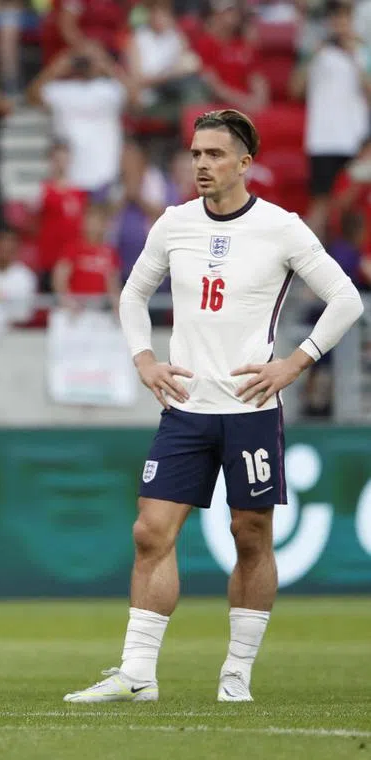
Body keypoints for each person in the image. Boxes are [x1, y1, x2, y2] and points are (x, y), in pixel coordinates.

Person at [63, 109, 364, 704]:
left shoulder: (282, 228)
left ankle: (237, 673)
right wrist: (144, 358)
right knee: (151, 531)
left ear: (245, 163)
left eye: (215, 155)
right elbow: (133, 294)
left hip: (251, 409)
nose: (201, 164)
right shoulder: (173, 224)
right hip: (186, 408)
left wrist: (295, 363)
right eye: (196, 154)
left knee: (249, 534)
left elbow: (345, 299)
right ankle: (137, 674)